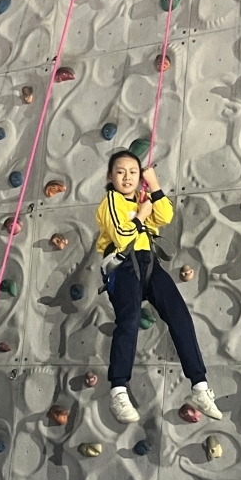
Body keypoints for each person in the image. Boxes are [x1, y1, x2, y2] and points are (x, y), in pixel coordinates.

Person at [96, 149, 222, 424]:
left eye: (133, 172)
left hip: (149, 262)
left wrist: (153, 185)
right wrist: (141, 215)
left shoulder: (142, 198)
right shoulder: (111, 202)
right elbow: (122, 236)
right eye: (120, 172)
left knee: (179, 316)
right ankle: (118, 391)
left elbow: (164, 216)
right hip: (123, 265)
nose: (127, 177)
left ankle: (199, 386)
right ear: (110, 177)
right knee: (129, 321)